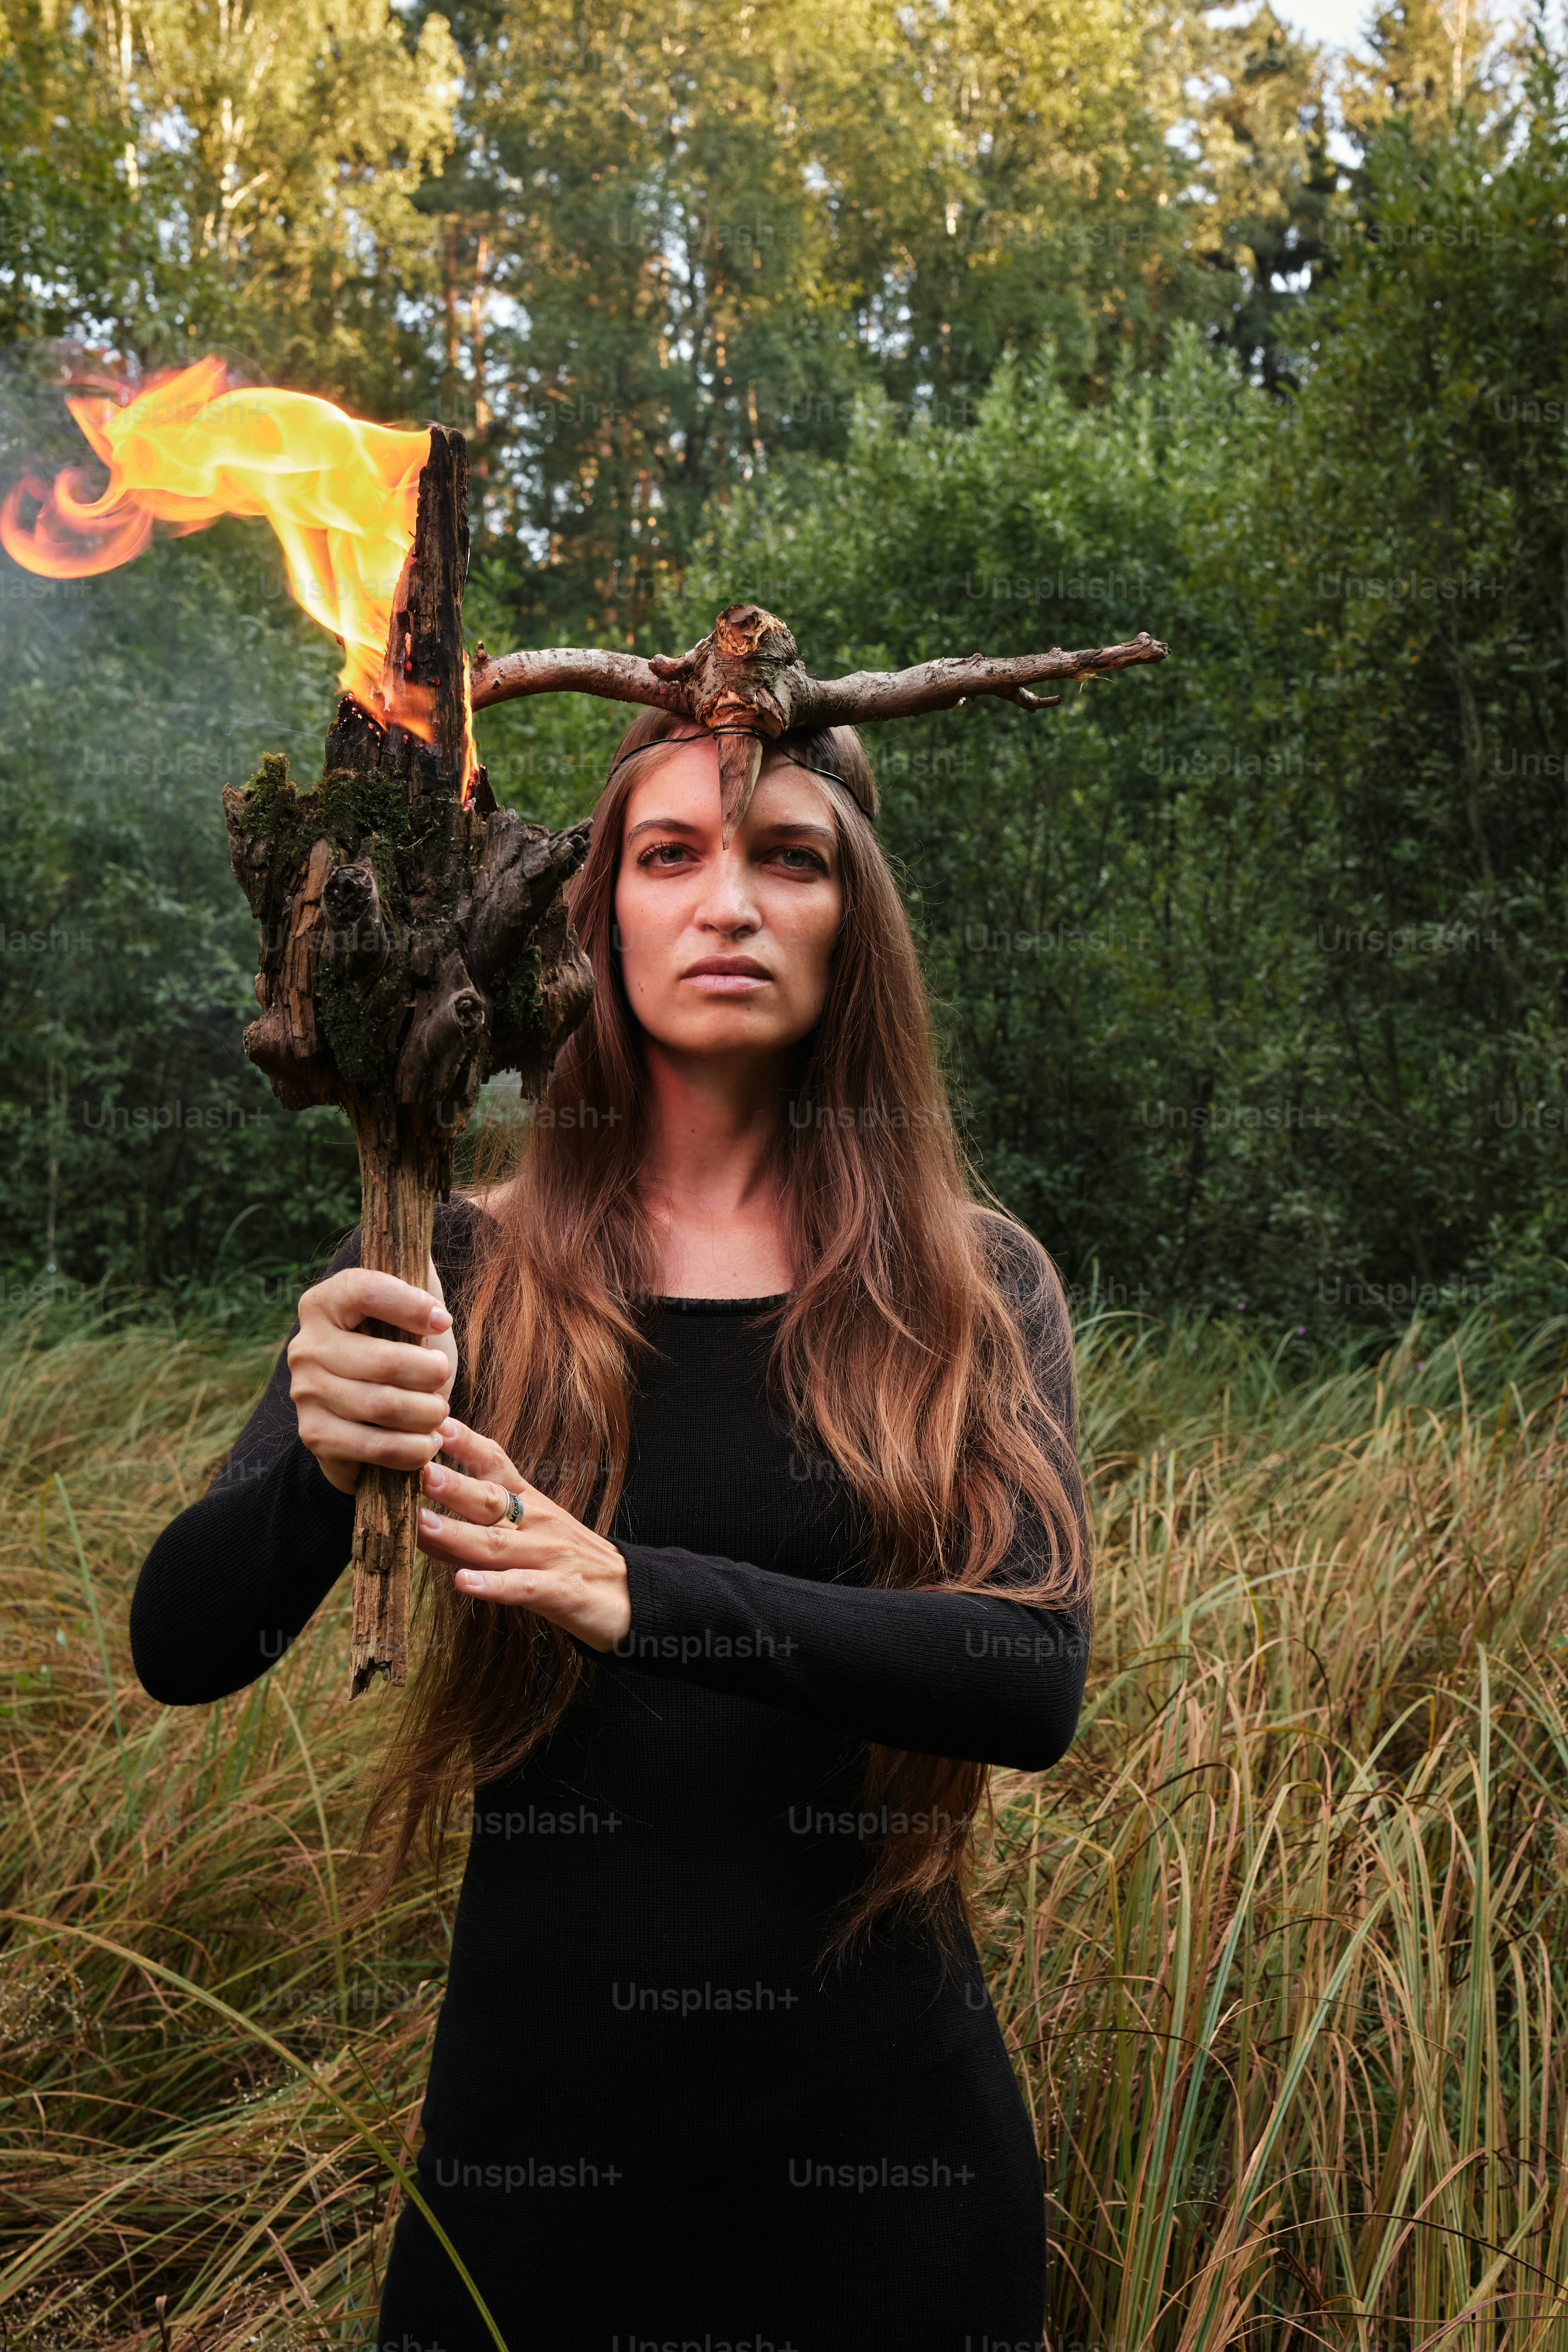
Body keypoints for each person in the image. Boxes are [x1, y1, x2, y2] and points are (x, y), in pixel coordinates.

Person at [131, 709, 1092, 2352]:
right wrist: (315, 1447)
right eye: (670, 853)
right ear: (594, 918)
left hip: (891, 2188)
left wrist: (636, 1588)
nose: (729, 900)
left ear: (850, 922)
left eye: (787, 856)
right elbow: (184, 1646)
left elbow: (1027, 1672)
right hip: (534, 2185)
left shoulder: (968, 1281)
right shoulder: (456, 1257)